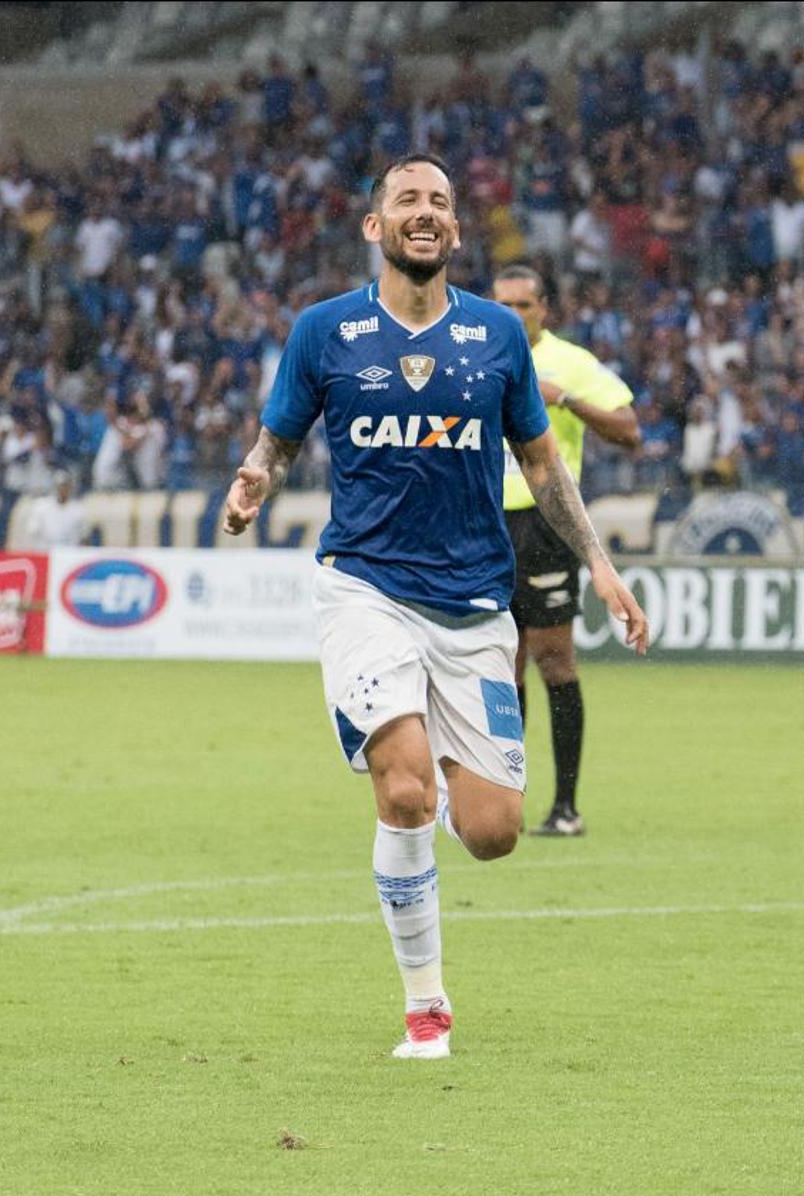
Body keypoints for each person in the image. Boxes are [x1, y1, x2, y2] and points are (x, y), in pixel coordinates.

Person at [219, 153, 649, 1060]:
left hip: (474, 604)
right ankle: (427, 1007)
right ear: (375, 227)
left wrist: (601, 567)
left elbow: (540, 463)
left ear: (454, 232)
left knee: (492, 833)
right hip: (365, 587)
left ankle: (446, 786)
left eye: (441, 204)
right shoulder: (325, 331)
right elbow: (280, 440)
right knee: (407, 788)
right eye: (407, 200)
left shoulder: (497, 336)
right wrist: (256, 476)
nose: (425, 213)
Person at [490, 264, 641, 837]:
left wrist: (569, 401)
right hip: (484, 524)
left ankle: (566, 807)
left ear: (543, 310)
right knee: (501, 666)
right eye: (500, 304)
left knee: (553, 658)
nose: (511, 315)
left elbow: (629, 430)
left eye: (522, 306)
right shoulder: (474, 353)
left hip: (546, 525)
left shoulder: (571, 363)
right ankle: (504, 801)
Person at [21, 470, 88, 548]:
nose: (63, 490)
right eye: (60, 486)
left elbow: (83, 535)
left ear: (71, 488)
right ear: (54, 487)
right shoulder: (41, 506)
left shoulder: (78, 509)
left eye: (66, 486)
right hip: (45, 552)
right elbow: (32, 530)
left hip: (69, 553)